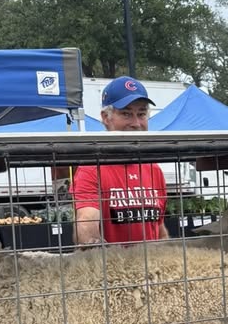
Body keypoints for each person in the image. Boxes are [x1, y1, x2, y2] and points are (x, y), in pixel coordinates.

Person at [72, 77, 169, 244]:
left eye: (141, 114)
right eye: (126, 114)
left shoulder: (153, 169)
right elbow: (86, 222)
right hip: (115, 267)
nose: (136, 123)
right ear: (106, 117)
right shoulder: (91, 168)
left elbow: (158, 228)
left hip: (152, 266)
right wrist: (92, 244)